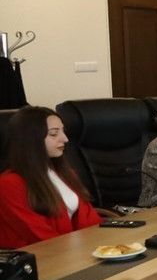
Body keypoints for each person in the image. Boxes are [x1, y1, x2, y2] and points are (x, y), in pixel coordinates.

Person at [0, 106, 102, 248]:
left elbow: (90, 220)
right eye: (54, 134)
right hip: (42, 256)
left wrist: (104, 243)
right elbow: (38, 235)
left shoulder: (66, 173)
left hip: (76, 250)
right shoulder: (9, 184)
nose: (65, 139)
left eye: (63, 131)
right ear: (31, 139)